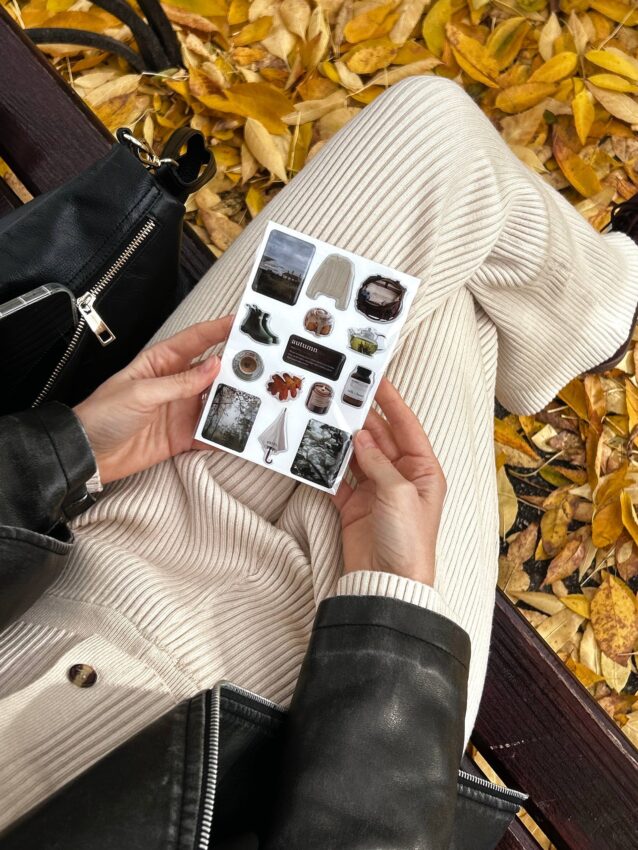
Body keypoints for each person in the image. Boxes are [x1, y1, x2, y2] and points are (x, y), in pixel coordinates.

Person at [1, 73, 638, 846]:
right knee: (456, 294)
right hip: (306, 722)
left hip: (102, 530)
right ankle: (590, 313)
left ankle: (592, 314)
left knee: (432, 134)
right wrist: (394, 607)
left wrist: (64, 451)